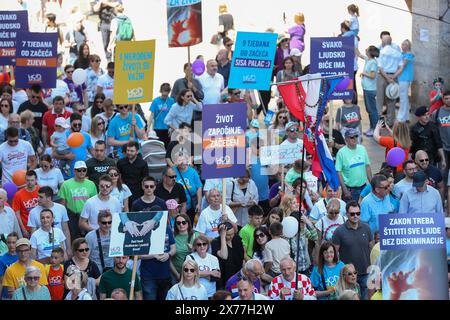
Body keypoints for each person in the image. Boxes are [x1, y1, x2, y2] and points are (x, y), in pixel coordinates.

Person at [332, 201, 374, 300]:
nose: (355, 216)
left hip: (365, 273)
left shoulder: (367, 228)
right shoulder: (339, 231)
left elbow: (371, 249)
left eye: (358, 213)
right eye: (352, 214)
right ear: (346, 214)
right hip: (348, 275)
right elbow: (334, 253)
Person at [58, 161, 97, 239]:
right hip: (72, 215)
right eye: (79, 170)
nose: (82, 172)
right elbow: (62, 204)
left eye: (84, 170)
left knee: (89, 237)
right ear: (74, 171)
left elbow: (94, 202)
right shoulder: (66, 184)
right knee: (74, 237)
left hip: (87, 215)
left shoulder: (91, 184)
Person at [139, 221, 176, 300]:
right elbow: (138, 255)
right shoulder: (143, 230)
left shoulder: (167, 229)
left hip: (164, 274)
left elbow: (174, 248)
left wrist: (168, 254)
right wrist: (153, 255)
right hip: (148, 275)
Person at [335, 127, 372, 202]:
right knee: (351, 212)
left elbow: (367, 166)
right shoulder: (341, 153)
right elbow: (338, 172)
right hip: (350, 190)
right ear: (346, 139)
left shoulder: (362, 149)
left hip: (364, 187)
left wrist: (372, 184)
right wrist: (345, 190)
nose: (355, 139)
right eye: (352, 137)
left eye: (356, 136)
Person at [376, 35, 403, 127]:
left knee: (379, 99)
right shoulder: (397, 53)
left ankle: (379, 122)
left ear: (383, 42)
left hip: (382, 77)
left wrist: (387, 78)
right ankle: (390, 121)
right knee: (392, 100)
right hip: (394, 77)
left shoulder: (381, 52)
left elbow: (380, 68)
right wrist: (393, 76)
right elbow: (401, 67)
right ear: (391, 42)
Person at [211, 222, 244, 288]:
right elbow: (224, 256)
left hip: (237, 276)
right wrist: (222, 237)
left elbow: (242, 256)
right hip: (223, 278)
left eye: (232, 234)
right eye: (228, 235)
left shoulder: (236, 239)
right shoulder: (216, 242)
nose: (231, 236)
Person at [117, 141, 149, 206]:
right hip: (124, 191)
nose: (129, 153)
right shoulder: (120, 162)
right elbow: (118, 176)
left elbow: (145, 179)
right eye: (128, 150)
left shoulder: (143, 163)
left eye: (132, 151)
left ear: (137, 152)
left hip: (138, 192)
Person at [174, 155, 203, 224]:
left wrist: (199, 203)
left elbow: (199, 187)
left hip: (191, 204)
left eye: (183, 160)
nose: (182, 163)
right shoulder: (173, 171)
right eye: (179, 160)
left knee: (190, 223)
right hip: (177, 205)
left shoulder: (192, 171)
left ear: (187, 161)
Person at [170, 214, 199, 281]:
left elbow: (202, 255)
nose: (181, 225)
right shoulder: (172, 237)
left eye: (184, 222)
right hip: (177, 273)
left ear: (188, 223)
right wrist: (177, 275)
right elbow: (169, 260)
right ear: (175, 225)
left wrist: (193, 250)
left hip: (193, 273)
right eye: (178, 223)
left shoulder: (196, 235)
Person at [12, 170, 40, 239]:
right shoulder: (18, 194)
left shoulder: (40, 190)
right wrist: (23, 229)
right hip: (26, 227)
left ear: (36, 180)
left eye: (32, 180)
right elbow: (17, 214)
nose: (30, 182)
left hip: (40, 225)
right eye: (28, 180)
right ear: (25, 180)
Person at [392, 39, 414, 123]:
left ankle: (401, 117)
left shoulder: (409, 55)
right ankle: (406, 116)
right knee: (404, 97)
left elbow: (402, 67)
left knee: (403, 98)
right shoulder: (402, 54)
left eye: (404, 44)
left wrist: (394, 76)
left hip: (405, 78)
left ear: (408, 46)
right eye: (402, 44)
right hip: (401, 78)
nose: (402, 46)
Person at [0, 233, 19, 299]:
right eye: (9, 242)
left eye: (14, 242)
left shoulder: (23, 257)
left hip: (21, 294)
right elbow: (1, 281)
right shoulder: (2, 260)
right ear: (6, 243)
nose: (11, 245)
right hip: (7, 295)